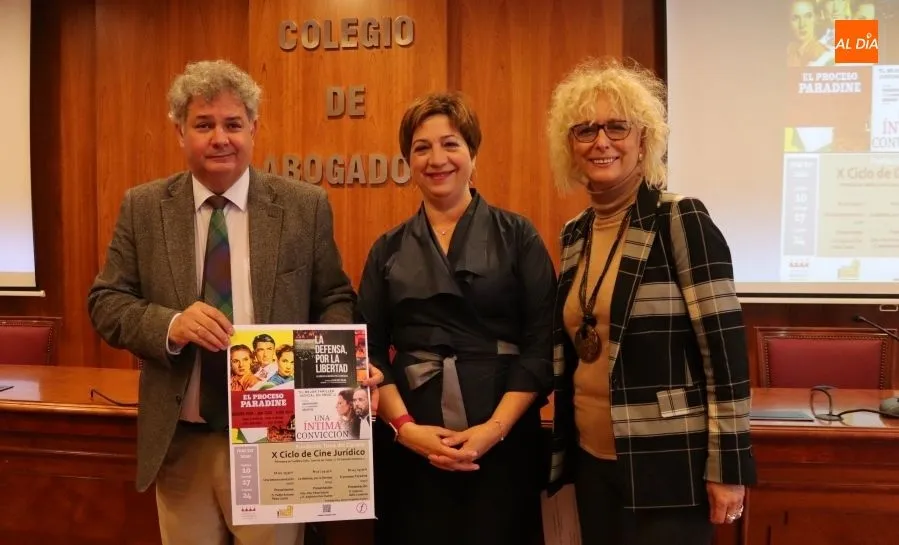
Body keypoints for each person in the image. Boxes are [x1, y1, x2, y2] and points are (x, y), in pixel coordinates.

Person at [87, 59, 355, 545]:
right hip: (181, 441)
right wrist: (170, 324)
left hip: (275, 439)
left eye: (233, 124)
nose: (220, 138)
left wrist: (327, 368)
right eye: (203, 124)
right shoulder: (143, 207)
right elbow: (106, 301)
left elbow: (335, 297)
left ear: (254, 128)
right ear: (179, 131)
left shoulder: (303, 207)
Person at [544, 58, 757, 545]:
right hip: (593, 462)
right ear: (570, 146)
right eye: (585, 130)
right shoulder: (574, 235)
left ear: (644, 139)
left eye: (617, 126)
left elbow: (725, 356)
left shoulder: (681, 220)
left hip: (668, 466)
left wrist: (728, 467)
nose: (601, 141)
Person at [355, 91, 556, 545]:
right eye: (421, 148)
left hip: (503, 439)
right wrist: (405, 430)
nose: (436, 159)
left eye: (450, 144)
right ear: (407, 161)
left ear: (473, 154)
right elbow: (365, 351)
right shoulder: (387, 249)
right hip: (413, 444)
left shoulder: (518, 235)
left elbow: (542, 343)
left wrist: (494, 430)